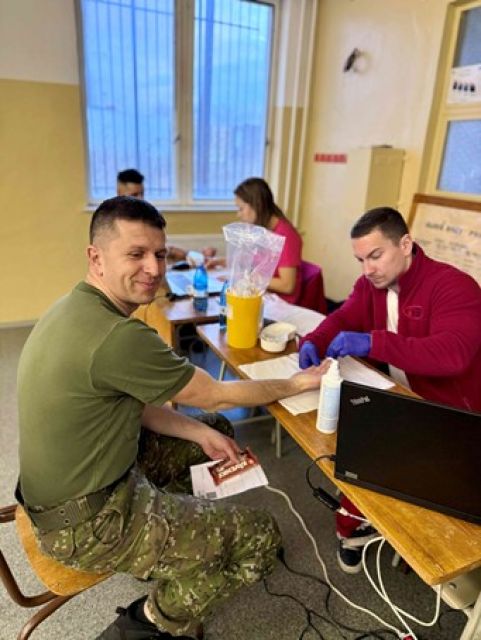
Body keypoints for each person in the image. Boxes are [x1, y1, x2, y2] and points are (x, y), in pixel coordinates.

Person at [17, 196, 326, 640]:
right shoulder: (118, 336)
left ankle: (176, 538)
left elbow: (135, 403)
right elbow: (217, 394)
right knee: (261, 537)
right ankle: (145, 622)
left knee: (213, 432)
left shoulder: (72, 308)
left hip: (70, 491)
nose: (153, 268)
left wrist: (199, 431)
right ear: (96, 257)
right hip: (87, 524)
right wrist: (296, 383)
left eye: (159, 254)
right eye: (136, 254)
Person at [299, 206, 481, 574]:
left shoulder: (454, 286)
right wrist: (314, 339)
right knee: (351, 461)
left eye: (376, 255)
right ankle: (360, 527)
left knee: (382, 473)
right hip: (400, 401)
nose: (367, 269)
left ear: (406, 244)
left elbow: (454, 354)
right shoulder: (372, 285)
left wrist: (374, 342)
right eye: (361, 260)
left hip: (453, 417)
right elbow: (345, 316)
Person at [206, 177, 303, 304]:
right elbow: (254, 262)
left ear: (257, 205)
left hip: (279, 303)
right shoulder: (263, 229)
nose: (238, 214)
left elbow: (287, 285)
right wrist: (222, 261)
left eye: (241, 208)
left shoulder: (286, 235)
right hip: (261, 294)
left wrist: (246, 277)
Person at [116, 168, 216, 264]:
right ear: (119, 193)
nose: (140, 199)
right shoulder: (113, 222)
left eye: (142, 193)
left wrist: (199, 257)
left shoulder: (145, 217)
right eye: (134, 195)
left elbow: (164, 250)